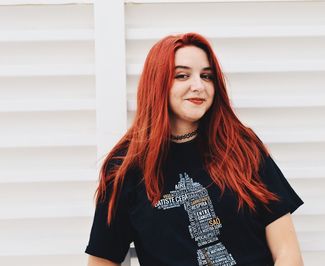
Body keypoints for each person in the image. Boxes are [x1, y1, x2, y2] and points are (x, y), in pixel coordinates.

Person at [85, 32, 304, 266]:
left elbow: (287, 252)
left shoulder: (242, 148)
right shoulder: (125, 167)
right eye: (182, 75)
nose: (198, 86)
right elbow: (102, 259)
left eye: (207, 76)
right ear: (157, 82)